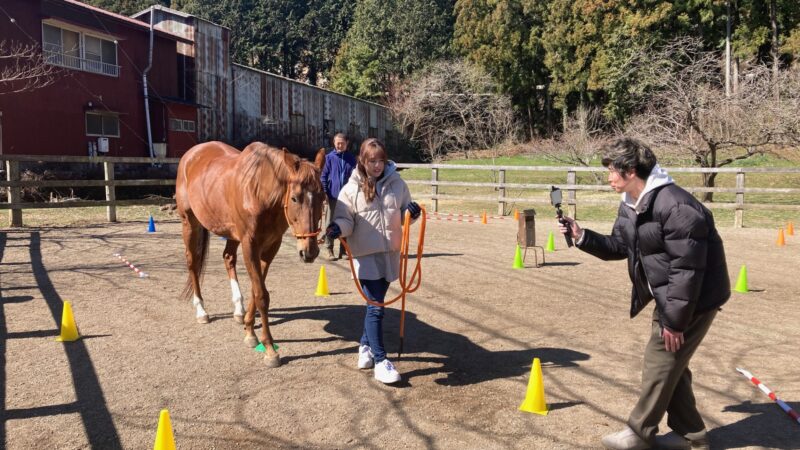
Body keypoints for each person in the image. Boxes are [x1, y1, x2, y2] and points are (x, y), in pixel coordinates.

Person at [557, 138, 730, 450]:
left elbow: (687, 271)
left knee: (659, 359)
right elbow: (620, 246)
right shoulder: (631, 202)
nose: (608, 177)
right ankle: (691, 437)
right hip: (671, 296)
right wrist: (582, 236)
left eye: (611, 171)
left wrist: (675, 323)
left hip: (695, 300)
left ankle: (639, 433)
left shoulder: (677, 207)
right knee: (670, 365)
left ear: (630, 171)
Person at [325, 138, 421, 384]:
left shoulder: (397, 184)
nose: (377, 166)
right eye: (372, 161)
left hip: (390, 255)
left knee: (374, 307)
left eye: (380, 160)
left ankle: (365, 346)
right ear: (363, 160)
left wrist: (411, 213)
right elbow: (346, 220)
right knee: (376, 307)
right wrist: (337, 228)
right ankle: (380, 361)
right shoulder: (350, 190)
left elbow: (401, 217)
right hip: (365, 257)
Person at [320, 132, 357, 261]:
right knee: (330, 221)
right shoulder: (329, 158)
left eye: (342, 143)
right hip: (332, 196)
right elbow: (323, 176)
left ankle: (344, 249)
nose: (340, 145)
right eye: (338, 143)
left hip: (347, 198)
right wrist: (325, 191)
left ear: (347, 143)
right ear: (334, 143)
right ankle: (329, 249)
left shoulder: (352, 159)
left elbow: (356, 177)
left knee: (346, 222)